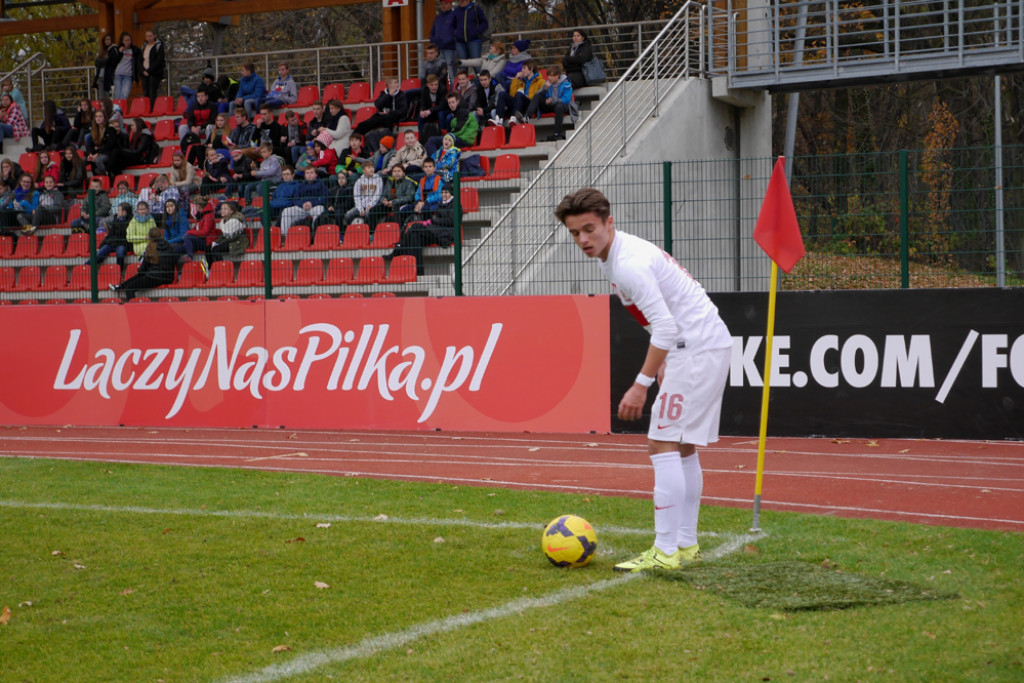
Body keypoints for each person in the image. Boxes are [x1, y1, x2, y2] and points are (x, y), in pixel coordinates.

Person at [555, 187, 732, 572]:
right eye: (574, 233)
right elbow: (666, 319)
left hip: (696, 348)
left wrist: (641, 383)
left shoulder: (628, 264)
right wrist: (668, 358)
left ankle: (665, 552)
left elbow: (666, 327)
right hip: (700, 345)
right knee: (681, 445)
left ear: (609, 223)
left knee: (662, 442)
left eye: (589, 229)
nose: (583, 240)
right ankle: (684, 546)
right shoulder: (615, 255)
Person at [388, 184, 460, 275]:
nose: (443, 195)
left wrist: (433, 221)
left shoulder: (455, 204)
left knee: (415, 227)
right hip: (436, 232)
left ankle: (398, 250)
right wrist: (433, 222)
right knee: (414, 237)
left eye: (446, 192)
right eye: (442, 193)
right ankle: (418, 272)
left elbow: (451, 220)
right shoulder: (441, 205)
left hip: (446, 235)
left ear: (452, 194)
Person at [110, 226, 177, 301]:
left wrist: (140, 271)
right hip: (169, 277)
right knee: (140, 276)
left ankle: (133, 307)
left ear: (150, 237)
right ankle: (120, 286)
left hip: (154, 277)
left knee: (130, 288)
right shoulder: (169, 246)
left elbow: (144, 268)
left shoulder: (150, 248)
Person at [524, 64, 578, 141]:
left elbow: (566, 99)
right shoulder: (548, 83)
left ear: (558, 75)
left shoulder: (566, 84)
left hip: (563, 106)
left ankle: (557, 134)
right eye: (548, 75)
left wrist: (553, 101)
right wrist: (545, 88)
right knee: (537, 96)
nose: (549, 78)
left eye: (552, 75)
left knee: (559, 106)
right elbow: (539, 95)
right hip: (550, 105)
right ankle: (526, 118)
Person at [367, 163, 417, 232]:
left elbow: (409, 197)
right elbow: (383, 195)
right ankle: (372, 233)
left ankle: (398, 233)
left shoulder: (409, 182)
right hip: (388, 204)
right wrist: (384, 200)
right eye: (394, 171)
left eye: (399, 171)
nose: (396, 173)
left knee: (397, 210)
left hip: (401, 204)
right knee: (373, 210)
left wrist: (393, 202)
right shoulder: (389, 182)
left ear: (403, 173)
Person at [279, 166, 328, 234]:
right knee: (286, 211)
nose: (309, 175)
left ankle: (315, 235)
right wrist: (302, 204)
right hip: (302, 208)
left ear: (316, 175)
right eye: (307, 173)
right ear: (304, 175)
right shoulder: (300, 185)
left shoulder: (321, 184)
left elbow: (324, 197)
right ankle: (285, 236)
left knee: (320, 209)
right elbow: (295, 199)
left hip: (315, 207)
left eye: (311, 173)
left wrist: (312, 204)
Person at [399, 157, 443, 225]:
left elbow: (439, 195)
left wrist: (425, 202)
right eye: (425, 167)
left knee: (425, 210)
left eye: (430, 166)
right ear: (423, 168)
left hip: (434, 203)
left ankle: (428, 226)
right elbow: (418, 193)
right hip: (421, 202)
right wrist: (419, 201)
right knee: (404, 210)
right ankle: (406, 228)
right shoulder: (422, 180)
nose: (428, 168)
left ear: (434, 168)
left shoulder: (440, 179)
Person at [94, 201, 132, 270]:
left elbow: (124, 234)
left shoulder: (131, 221)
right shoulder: (115, 220)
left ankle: (119, 272)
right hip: (112, 243)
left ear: (124, 212)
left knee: (120, 253)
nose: (117, 212)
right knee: (100, 253)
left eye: (119, 210)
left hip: (123, 244)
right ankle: (87, 267)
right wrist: (101, 246)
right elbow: (110, 234)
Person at [343, 162, 383, 226]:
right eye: (369, 167)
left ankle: (370, 233)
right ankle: (346, 232)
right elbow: (356, 197)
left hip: (373, 205)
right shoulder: (359, 181)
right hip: (361, 205)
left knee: (368, 214)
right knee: (348, 215)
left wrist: (371, 205)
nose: (371, 169)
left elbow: (377, 194)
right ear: (363, 170)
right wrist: (360, 208)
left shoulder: (378, 179)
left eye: (372, 167)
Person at [430, 0, 458, 85]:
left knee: (452, 72)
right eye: (442, 3)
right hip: (438, 50)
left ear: (450, 5)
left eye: (445, 3)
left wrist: (449, 40)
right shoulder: (438, 18)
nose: (443, 5)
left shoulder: (454, 16)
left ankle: (453, 92)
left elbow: (458, 32)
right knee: (439, 72)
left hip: (450, 49)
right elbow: (432, 32)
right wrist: (434, 42)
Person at [453, 0, 489, 66]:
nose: (460, 1)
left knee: (476, 64)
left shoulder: (476, 8)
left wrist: (477, 32)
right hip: (460, 42)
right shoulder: (456, 11)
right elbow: (452, 25)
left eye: (462, 0)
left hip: (474, 41)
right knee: (462, 64)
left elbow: (484, 23)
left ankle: (479, 75)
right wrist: (455, 34)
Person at [84, 108, 117, 178]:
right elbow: (90, 145)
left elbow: (109, 145)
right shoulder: (94, 130)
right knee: (82, 161)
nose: (98, 118)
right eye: (96, 116)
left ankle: (106, 176)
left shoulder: (110, 129)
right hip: (95, 153)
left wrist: (98, 154)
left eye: (100, 116)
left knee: (98, 160)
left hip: (107, 153)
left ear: (104, 118)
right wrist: (90, 154)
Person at [108, 32, 141, 101]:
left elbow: (138, 62)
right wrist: (119, 53)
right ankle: (118, 110)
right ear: (122, 41)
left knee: (124, 94)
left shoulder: (134, 50)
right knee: (118, 95)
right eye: (125, 40)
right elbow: (113, 62)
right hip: (118, 74)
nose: (127, 42)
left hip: (128, 75)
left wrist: (136, 75)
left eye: (129, 40)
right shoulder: (117, 49)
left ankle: (121, 109)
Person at [140, 30, 166, 104]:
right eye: (147, 36)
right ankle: (146, 108)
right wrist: (142, 70)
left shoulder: (158, 45)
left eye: (150, 36)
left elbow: (159, 60)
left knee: (152, 92)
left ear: (154, 36)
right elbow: (140, 59)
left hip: (154, 73)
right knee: (146, 92)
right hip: (144, 71)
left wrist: (149, 71)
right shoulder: (144, 46)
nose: (148, 38)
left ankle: (152, 109)